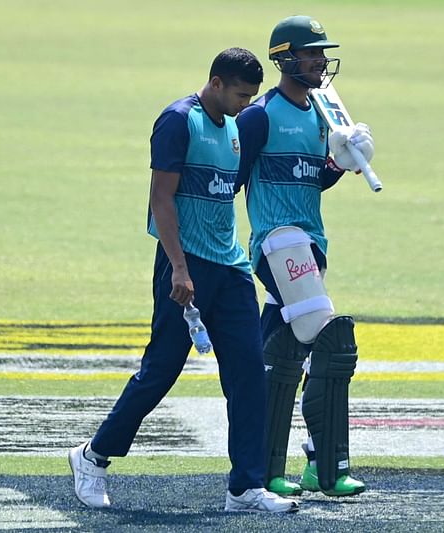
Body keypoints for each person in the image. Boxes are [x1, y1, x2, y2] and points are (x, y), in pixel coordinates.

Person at [67, 48, 298, 513]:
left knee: (250, 373)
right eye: (239, 94)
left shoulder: (235, 125)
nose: (245, 104)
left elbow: (224, 193)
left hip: (230, 270)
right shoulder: (178, 120)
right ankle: (92, 458)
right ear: (215, 82)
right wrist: (178, 267)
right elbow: (161, 199)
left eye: (252, 97)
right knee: (161, 371)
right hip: (186, 266)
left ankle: (245, 487)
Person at [235, 15, 374, 497]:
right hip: (277, 242)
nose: (319, 60)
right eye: (311, 52)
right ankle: (326, 466)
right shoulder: (259, 116)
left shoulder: (321, 113)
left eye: (321, 52)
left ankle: (263, 467)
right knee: (330, 341)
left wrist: (341, 160)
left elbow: (313, 178)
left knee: (273, 356)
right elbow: (229, 179)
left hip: (312, 242)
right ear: (285, 58)